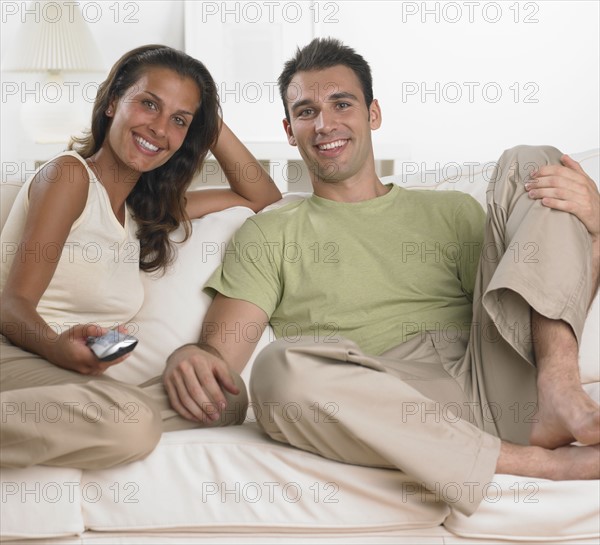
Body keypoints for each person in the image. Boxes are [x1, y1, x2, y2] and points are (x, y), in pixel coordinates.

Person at [164, 38, 600, 515]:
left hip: (488, 376)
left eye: (342, 104)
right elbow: (220, 369)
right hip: (380, 401)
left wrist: (592, 229)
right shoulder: (269, 233)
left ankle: (560, 390)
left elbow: (527, 293)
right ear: (290, 131)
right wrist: (194, 357)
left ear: (373, 114)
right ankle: (537, 464)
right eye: (307, 111)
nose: (326, 123)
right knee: (275, 368)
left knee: (532, 160)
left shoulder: (451, 210)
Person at [0, 44, 282, 468]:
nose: (159, 128)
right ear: (113, 101)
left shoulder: (143, 213)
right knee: (130, 424)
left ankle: (112, 415)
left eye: (179, 120)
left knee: (224, 398)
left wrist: (209, 122)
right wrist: (59, 348)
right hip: (19, 357)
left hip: (76, 380)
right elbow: (10, 304)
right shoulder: (69, 176)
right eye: (149, 104)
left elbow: (261, 196)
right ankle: (117, 417)